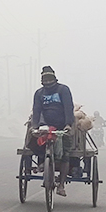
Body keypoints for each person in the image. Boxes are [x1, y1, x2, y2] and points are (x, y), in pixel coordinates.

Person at [30, 65, 74, 196]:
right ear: (42, 80)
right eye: (45, 79)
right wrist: (34, 126)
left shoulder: (63, 90)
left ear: (54, 78)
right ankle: (43, 163)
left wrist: (68, 124)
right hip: (45, 125)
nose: (48, 82)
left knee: (65, 155)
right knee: (34, 142)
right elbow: (36, 110)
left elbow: (68, 107)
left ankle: (61, 185)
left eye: (50, 79)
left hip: (62, 125)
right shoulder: (39, 93)